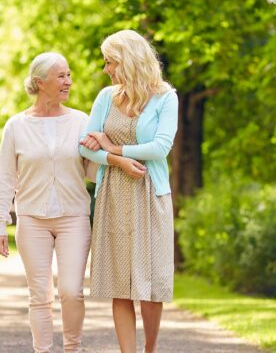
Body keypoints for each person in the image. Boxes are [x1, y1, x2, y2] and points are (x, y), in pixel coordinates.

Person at [79, 29, 178, 353]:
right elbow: (86, 146)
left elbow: (160, 148)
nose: (106, 69)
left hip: (151, 195)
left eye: (111, 62)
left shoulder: (166, 97)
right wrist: (115, 160)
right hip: (114, 195)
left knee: (150, 284)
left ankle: (150, 348)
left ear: (130, 61)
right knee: (121, 284)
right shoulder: (106, 97)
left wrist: (113, 148)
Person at [0, 52, 96, 353]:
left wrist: (97, 151)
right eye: (61, 76)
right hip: (32, 220)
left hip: (73, 217)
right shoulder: (15, 126)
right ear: (40, 82)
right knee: (40, 295)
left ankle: (72, 348)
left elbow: (91, 173)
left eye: (69, 74)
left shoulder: (80, 120)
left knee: (71, 291)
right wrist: (0, 223)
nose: (68, 82)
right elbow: (6, 178)